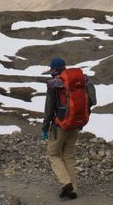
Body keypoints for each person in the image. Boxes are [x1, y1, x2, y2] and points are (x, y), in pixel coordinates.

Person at [42, 57, 97, 199]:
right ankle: (73, 189)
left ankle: (66, 183)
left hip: (60, 126)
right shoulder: (80, 81)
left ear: (54, 70)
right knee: (68, 156)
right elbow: (92, 100)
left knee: (53, 154)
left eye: (51, 70)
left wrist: (44, 128)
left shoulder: (56, 84)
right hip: (76, 125)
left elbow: (49, 109)